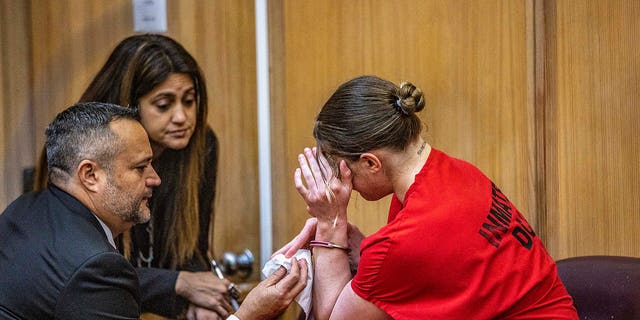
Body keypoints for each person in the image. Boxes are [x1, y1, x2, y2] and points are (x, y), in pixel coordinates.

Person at [275, 75, 579, 319]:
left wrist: (330, 223)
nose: (345, 186)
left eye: (342, 171)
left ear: (370, 163)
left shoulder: (405, 239)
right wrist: (355, 247)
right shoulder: (460, 172)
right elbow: (436, 272)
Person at [1, 102, 308, 320]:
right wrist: (247, 316)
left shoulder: (23, 210)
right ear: (90, 175)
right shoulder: (95, 268)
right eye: (140, 167)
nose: (155, 179)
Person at [33, 34, 230, 318]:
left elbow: (191, 246)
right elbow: (76, 267)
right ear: (129, 105)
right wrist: (176, 284)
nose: (182, 117)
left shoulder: (201, 145)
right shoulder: (73, 150)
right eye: (164, 105)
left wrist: (203, 297)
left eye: (189, 101)